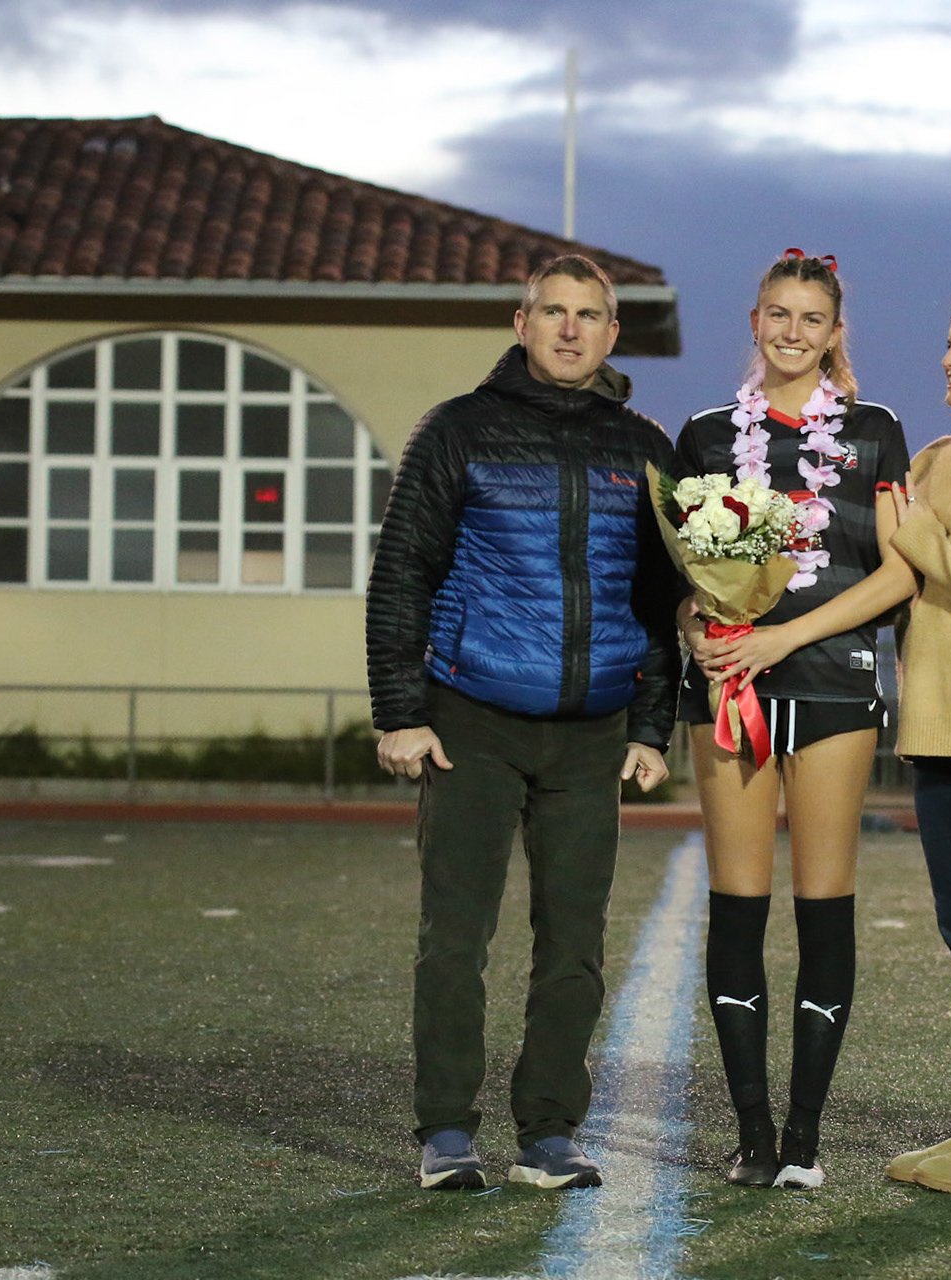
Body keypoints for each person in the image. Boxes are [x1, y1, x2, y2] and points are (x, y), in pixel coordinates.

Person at [715, 285, 951, 1194]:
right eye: (949, 344)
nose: (948, 360)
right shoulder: (930, 459)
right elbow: (895, 584)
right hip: (940, 725)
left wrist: (919, 536)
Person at [366, 254, 681, 1192]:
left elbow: (663, 599)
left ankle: (549, 1133)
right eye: (553, 311)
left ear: (613, 334)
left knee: (574, 944)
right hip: (473, 720)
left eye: (589, 315)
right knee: (456, 936)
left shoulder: (644, 445)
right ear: (522, 322)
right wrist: (401, 712)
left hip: (593, 732)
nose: (570, 329)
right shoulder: (456, 430)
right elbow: (402, 572)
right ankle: (445, 1132)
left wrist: (651, 727)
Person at [673, 251, 910, 1189]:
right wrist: (698, 628)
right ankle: (752, 1134)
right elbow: (681, 579)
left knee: (823, 903)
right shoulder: (703, 436)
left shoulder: (875, 430)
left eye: (812, 319)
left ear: (834, 332)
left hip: (834, 689)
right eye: (779, 314)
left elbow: (898, 574)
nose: (793, 332)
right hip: (729, 691)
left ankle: (805, 1138)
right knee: (738, 903)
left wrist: (787, 636)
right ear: (755, 320)